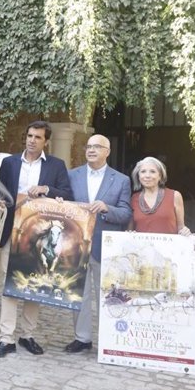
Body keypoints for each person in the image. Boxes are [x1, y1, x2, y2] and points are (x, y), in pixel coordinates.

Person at [0, 121, 73, 359]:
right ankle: (6, 339)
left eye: (37, 137)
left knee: (33, 285)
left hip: (40, 235)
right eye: (29, 135)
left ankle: (27, 335)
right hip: (11, 230)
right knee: (10, 286)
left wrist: (46, 189)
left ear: (46, 141)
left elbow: (68, 194)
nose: (31, 140)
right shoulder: (9, 163)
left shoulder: (56, 166)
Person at [64, 135, 132, 353]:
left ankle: (109, 339)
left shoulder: (121, 180)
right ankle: (82, 338)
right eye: (89, 146)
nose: (91, 150)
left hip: (106, 246)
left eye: (97, 147)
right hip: (77, 245)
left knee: (107, 296)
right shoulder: (72, 175)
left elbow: (125, 213)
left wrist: (106, 208)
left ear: (107, 151)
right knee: (80, 295)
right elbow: (64, 203)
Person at [129, 156, 191, 236]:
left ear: (160, 176)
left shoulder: (175, 196)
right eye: (143, 171)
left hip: (168, 247)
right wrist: (130, 234)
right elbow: (129, 230)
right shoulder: (133, 198)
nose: (147, 175)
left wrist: (185, 232)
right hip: (141, 248)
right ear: (138, 176)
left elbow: (181, 227)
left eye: (152, 171)